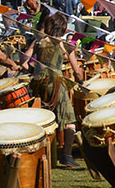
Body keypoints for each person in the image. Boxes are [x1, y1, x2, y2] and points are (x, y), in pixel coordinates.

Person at [30, 13, 85, 169]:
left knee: (45, 118)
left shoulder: (39, 41)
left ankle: (42, 154)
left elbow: (23, 59)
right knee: (70, 120)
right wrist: (81, 81)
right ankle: (67, 156)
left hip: (39, 83)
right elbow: (77, 71)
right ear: (64, 28)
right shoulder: (65, 45)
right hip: (57, 83)